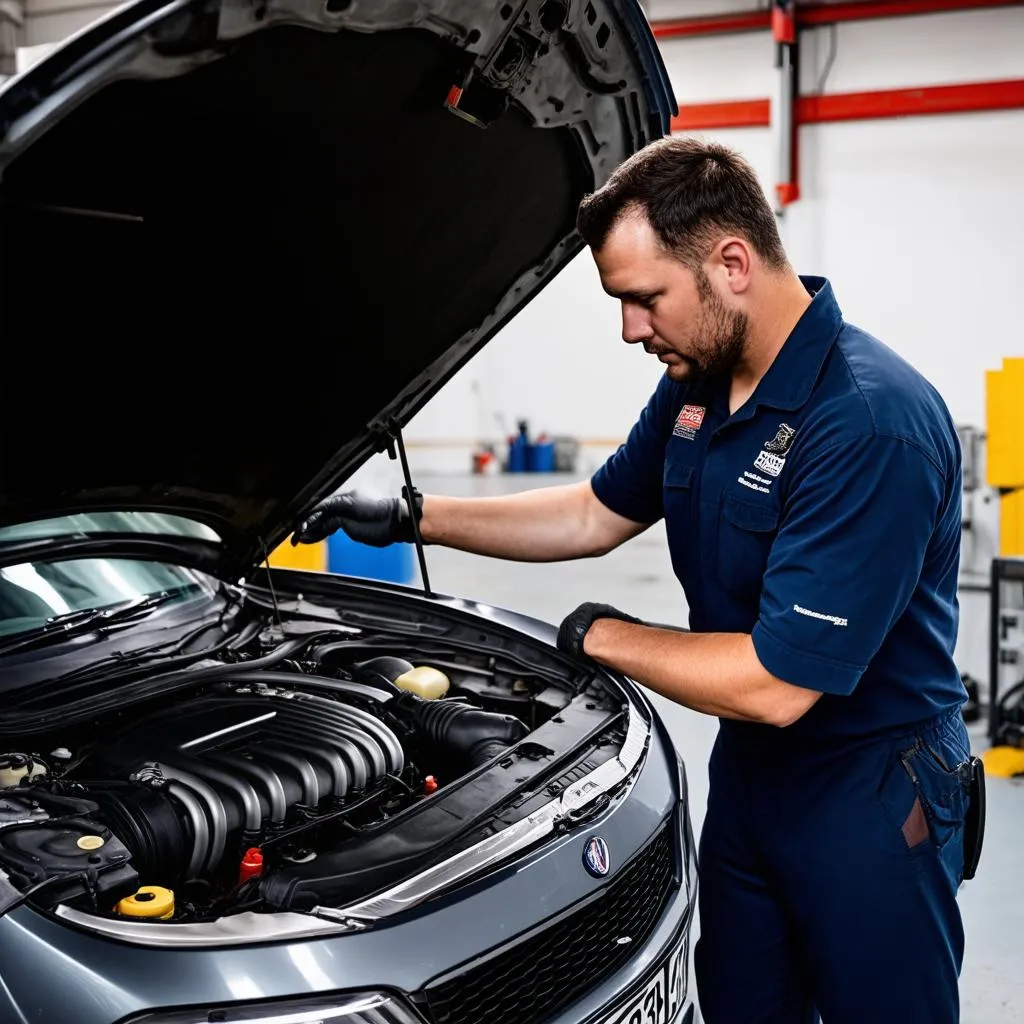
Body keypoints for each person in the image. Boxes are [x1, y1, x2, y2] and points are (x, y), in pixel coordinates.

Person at [293, 136, 978, 1024]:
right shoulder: (701, 384)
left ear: (732, 262)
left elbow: (777, 684)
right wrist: (412, 514)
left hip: (874, 794)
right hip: (752, 781)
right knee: (740, 1004)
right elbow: (593, 512)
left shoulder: (868, 422)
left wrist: (598, 636)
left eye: (644, 299)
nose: (630, 330)